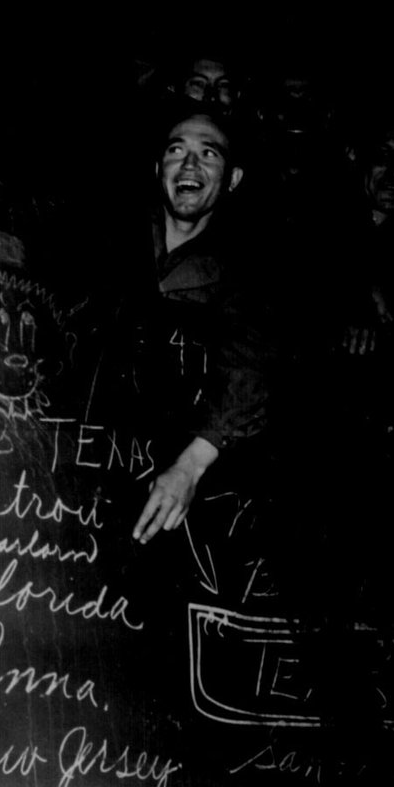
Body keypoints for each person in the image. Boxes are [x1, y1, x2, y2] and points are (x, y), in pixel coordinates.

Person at [130, 104, 273, 544]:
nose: (190, 164)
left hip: (180, 474)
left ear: (232, 180)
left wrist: (189, 467)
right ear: (159, 168)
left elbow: (248, 371)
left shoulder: (250, 272)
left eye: (209, 153)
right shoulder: (110, 238)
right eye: (177, 150)